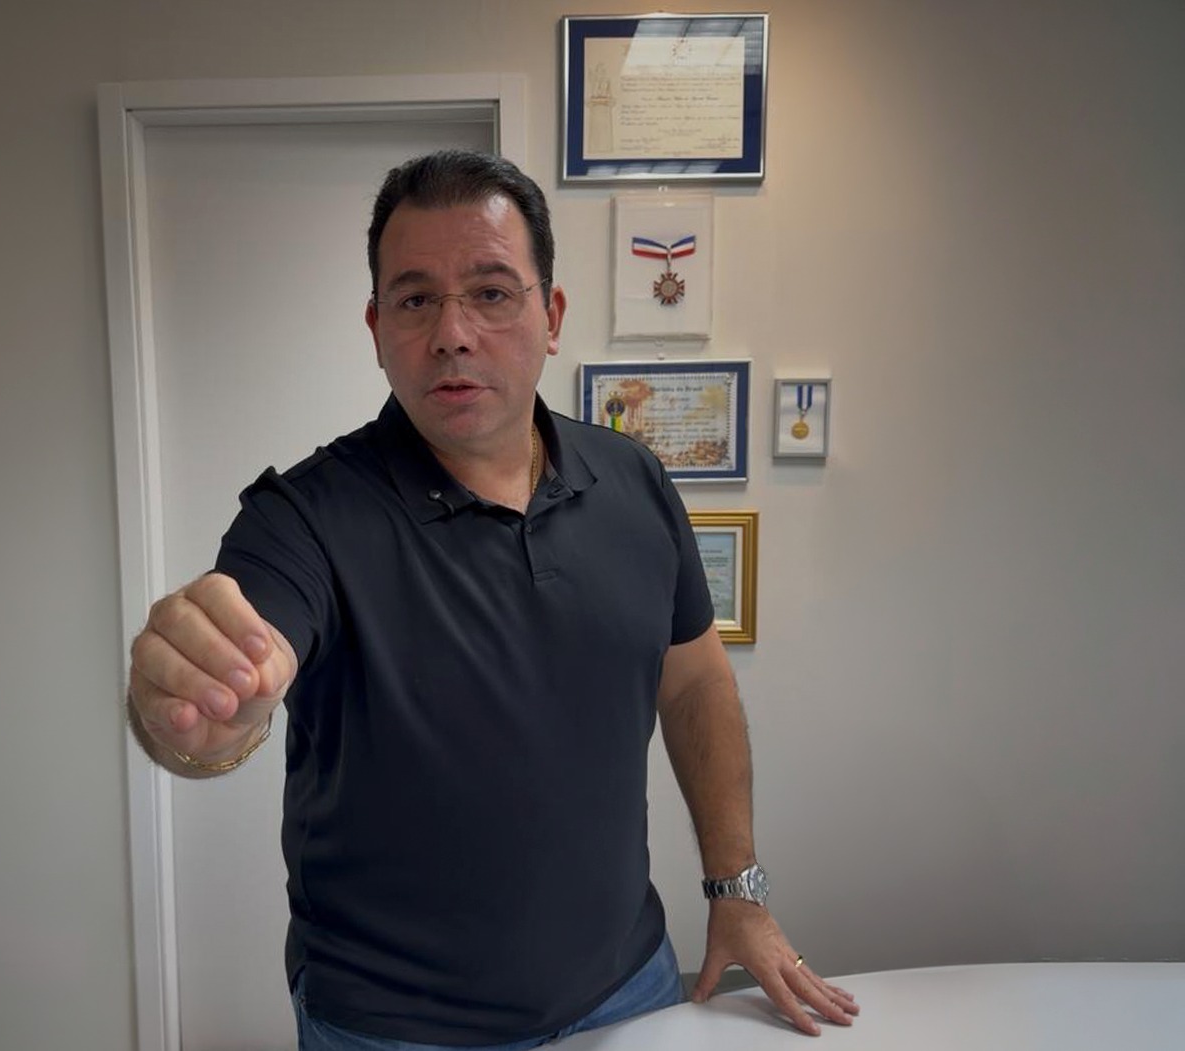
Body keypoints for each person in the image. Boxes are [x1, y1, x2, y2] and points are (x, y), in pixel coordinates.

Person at [126, 149, 858, 1048]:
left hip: (631, 988)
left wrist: (736, 889)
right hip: (393, 1027)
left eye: (491, 292)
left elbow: (696, 683)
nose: (453, 333)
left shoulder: (635, 480)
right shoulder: (304, 517)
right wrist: (194, 713)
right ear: (376, 327)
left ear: (551, 317)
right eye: (415, 299)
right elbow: (229, 673)